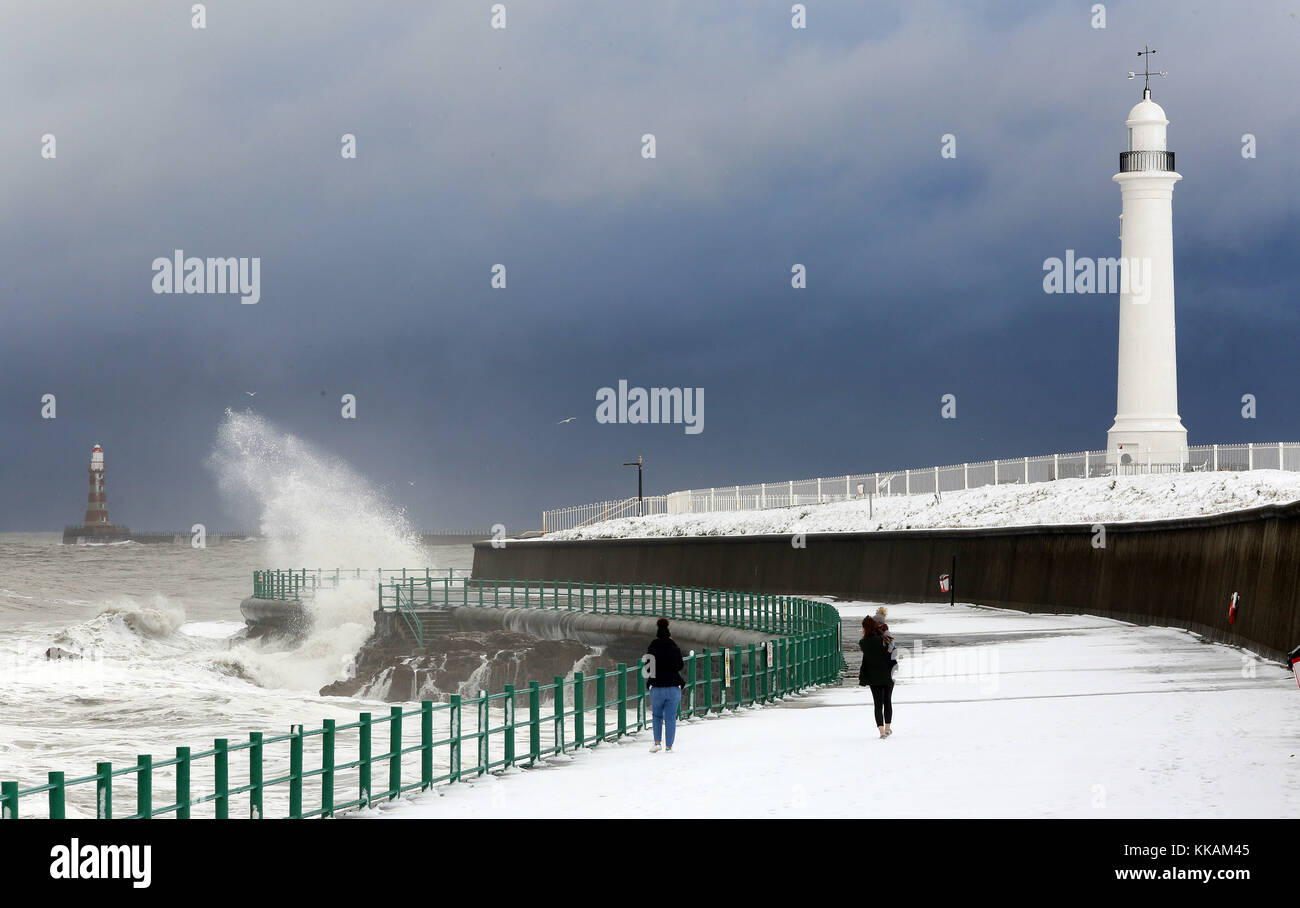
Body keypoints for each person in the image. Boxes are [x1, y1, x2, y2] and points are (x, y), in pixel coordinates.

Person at [645, 617, 685, 752]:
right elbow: (680, 666)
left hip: (656, 687)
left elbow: (647, 669)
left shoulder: (652, 647)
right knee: (670, 718)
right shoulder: (675, 648)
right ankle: (669, 747)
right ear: (669, 633)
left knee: (657, 716)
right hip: (673, 687)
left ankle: (657, 743)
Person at [858, 616, 895, 738]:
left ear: (865, 628)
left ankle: (881, 731)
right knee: (887, 701)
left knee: (878, 704)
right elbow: (892, 648)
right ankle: (888, 727)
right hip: (887, 674)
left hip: (873, 677)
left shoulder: (863, 643)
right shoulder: (883, 639)